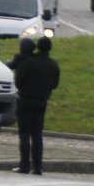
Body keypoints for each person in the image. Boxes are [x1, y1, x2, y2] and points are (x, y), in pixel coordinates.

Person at [13, 35, 60, 175]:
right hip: (41, 101)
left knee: (24, 134)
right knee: (37, 134)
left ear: (37, 47)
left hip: (25, 100)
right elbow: (54, 84)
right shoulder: (53, 64)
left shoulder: (29, 62)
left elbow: (18, 82)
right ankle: (38, 166)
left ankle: (24, 165)